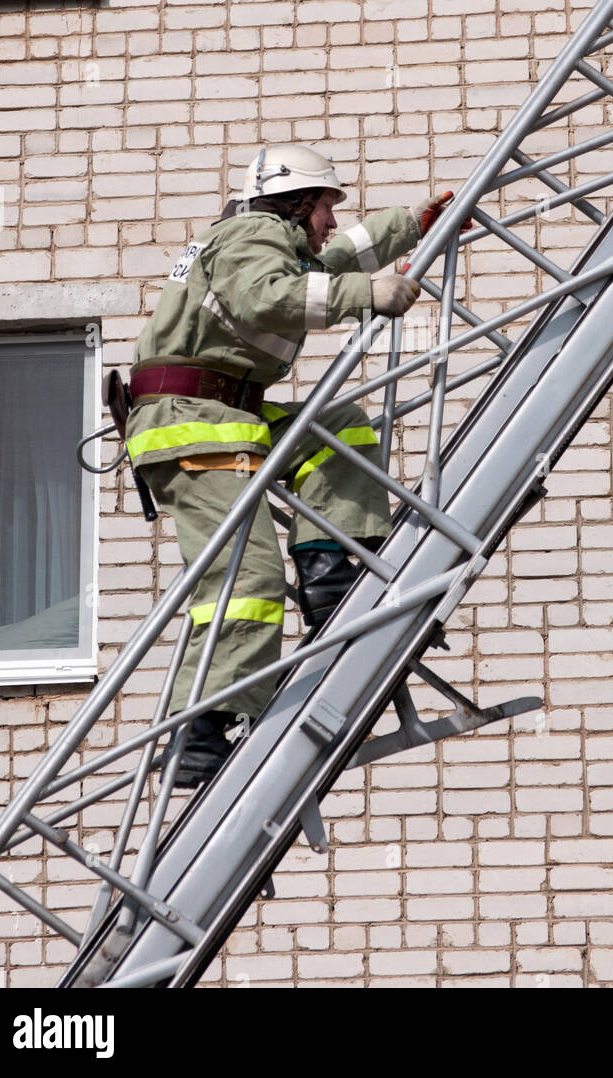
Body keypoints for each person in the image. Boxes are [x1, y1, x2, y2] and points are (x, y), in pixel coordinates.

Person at [124, 143, 456, 787]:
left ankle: (332, 568)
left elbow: (332, 260)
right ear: (299, 202)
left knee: (339, 429)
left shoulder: (271, 240)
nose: (331, 220)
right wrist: (368, 293)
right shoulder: (252, 234)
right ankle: (207, 725)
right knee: (246, 583)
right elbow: (264, 299)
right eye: (327, 206)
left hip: (232, 414)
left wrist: (414, 223)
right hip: (191, 424)